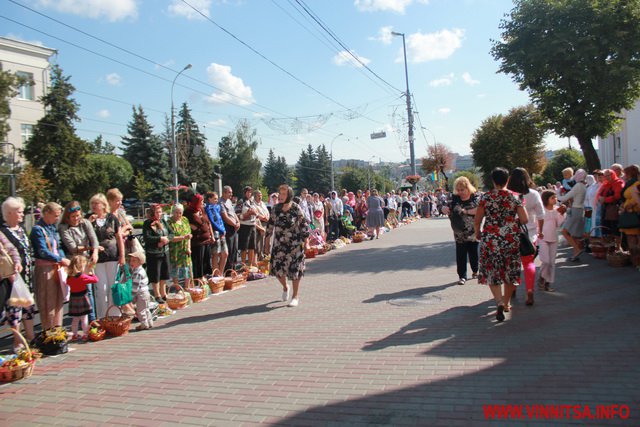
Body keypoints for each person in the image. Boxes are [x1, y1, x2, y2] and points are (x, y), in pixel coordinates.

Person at [474, 167, 528, 322]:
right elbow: (524, 220)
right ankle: (506, 302)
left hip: (491, 238)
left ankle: (498, 301)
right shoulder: (515, 197)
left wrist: (478, 232)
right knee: (510, 271)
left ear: (493, 181)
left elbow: (477, 219)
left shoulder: (486, 197)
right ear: (507, 180)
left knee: (492, 270)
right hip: (510, 238)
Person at [265, 184, 310, 308]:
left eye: (284, 194)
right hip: (279, 244)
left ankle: (295, 296)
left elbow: (304, 225)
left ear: (289, 195)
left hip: (295, 244)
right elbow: (270, 225)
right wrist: (266, 242)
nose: (281, 196)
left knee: (295, 270)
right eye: (280, 193)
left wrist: (306, 241)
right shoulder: (275, 208)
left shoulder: (295, 208)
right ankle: (285, 287)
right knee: (278, 270)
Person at [1, 197, 37, 352]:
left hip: (26, 275)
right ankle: (17, 341)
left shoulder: (22, 230)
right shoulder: (4, 231)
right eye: (19, 212)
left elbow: (14, 251)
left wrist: (18, 262)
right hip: (10, 278)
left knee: (28, 306)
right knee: (14, 309)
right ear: (9, 213)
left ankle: (30, 337)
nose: (22, 215)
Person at [30, 202, 70, 330]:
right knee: (47, 301)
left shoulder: (52, 228)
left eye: (58, 216)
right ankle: (48, 330)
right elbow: (42, 251)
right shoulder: (38, 230)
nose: (57, 218)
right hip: (45, 269)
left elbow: (58, 246)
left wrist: (63, 259)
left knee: (58, 300)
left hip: (56, 268)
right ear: (46, 213)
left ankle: (58, 329)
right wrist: (60, 259)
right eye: (55, 215)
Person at [507, 167, 544, 305]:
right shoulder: (533, 194)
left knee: (512, 263)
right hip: (530, 233)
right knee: (528, 262)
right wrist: (541, 230)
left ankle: (513, 286)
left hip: (511, 233)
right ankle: (529, 290)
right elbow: (541, 214)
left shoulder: (508, 194)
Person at [58, 201, 100, 321]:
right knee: (77, 291)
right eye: (73, 217)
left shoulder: (85, 223)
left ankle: (92, 319)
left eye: (78, 216)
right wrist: (89, 247)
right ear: (67, 216)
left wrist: (95, 252)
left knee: (89, 290)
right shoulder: (64, 227)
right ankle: (78, 317)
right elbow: (73, 247)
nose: (76, 219)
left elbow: (93, 239)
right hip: (74, 261)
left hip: (85, 260)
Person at [87, 193, 125, 319]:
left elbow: (119, 236)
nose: (93, 206)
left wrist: (122, 255)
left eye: (96, 203)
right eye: (92, 203)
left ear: (103, 205)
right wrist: (89, 222)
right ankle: (102, 316)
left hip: (112, 256)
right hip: (97, 258)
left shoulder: (111, 219)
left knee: (112, 286)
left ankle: (114, 314)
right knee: (101, 288)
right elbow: (84, 236)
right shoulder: (89, 219)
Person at [442, 176, 480, 285]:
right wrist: (444, 209)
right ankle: (462, 276)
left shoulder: (475, 198)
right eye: (458, 190)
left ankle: (475, 270)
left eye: (462, 190)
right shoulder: (454, 199)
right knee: (461, 255)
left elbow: (479, 210)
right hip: (459, 233)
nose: (460, 192)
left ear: (468, 188)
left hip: (473, 232)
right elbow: (444, 208)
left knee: (473, 253)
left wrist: (465, 211)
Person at [143, 204, 173, 303]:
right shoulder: (148, 223)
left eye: (160, 212)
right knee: (155, 274)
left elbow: (171, 233)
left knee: (164, 273)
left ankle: (163, 292)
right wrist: (159, 239)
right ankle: (157, 294)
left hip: (165, 251)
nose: (159, 214)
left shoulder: (163, 221)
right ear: (152, 213)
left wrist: (167, 240)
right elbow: (147, 238)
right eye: (157, 212)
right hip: (153, 253)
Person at [538, 190, 566, 293]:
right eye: (552, 198)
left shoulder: (556, 210)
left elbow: (558, 224)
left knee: (552, 263)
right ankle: (542, 276)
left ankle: (547, 283)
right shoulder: (541, 211)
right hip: (543, 238)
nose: (555, 199)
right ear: (546, 199)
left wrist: (562, 214)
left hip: (553, 238)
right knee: (546, 261)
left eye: (555, 197)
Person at [66, 255, 98, 342]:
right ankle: (85, 334)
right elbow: (95, 280)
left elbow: (67, 283)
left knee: (75, 319)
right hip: (82, 298)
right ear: (81, 266)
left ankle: (75, 334)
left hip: (73, 298)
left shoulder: (69, 277)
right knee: (84, 318)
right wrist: (92, 272)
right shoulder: (82, 277)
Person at [558, 169, 587, 262]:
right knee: (575, 235)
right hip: (581, 210)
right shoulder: (584, 185)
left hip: (575, 210)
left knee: (564, 231)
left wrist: (556, 195)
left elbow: (566, 197)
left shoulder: (578, 185)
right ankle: (575, 254)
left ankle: (577, 250)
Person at [185, 194, 213, 281]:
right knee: (198, 261)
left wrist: (211, 235)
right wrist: (192, 226)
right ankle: (199, 279)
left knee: (205, 260)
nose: (202, 203)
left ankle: (204, 276)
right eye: (201, 201)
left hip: (206, 239)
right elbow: (186, 223)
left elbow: (208, 222)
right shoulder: (189, 212)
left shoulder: (201, 210)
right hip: (197, 241)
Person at [167, 203, 193, 289]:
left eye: (180, 213)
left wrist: (188, 247)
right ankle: (178, 288)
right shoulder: (169, 222)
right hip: (175, 250)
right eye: (176, 212)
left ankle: (187, 287)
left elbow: (189, 234)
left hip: (185, 249)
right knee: (176, 270)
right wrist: (183, 237)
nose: (178, 215)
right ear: (173, 212)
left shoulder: (185, 220)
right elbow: (170, 237)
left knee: (187, 269)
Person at [597, 168, 624, 249]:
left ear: (613, 174)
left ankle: (618, 248)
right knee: (608, 229)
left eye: (609, 175)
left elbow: (617, 196)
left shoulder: (618, 183)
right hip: (606, 209)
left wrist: (605, 199)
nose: (607, 177)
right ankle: (611, 248)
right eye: (606, 176)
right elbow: (600, 195)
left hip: (615, 209)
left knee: (615, 229)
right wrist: (601, 199)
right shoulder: (606, 184)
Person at [128, 251, 153, 331]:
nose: (131, 262)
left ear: (140, 262)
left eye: (134, 261)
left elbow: (135, 286)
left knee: (140, 310)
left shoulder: (137, 273)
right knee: (146, 308)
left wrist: (132, 296)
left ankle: (144, 324)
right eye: (131, 260)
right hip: (146, 292)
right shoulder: (141, 270)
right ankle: (149, 322)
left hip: (141, 293)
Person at [619, 165, 640, 255]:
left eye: (625, 173)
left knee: (635, 237)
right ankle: (634, 258)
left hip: (634, 212)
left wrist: (629, 205)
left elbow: (636, 197)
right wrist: (623, 206)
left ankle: (637, 258)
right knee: (630, 237)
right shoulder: (629, 184)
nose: (624, 175)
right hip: (628, 213)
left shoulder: (636, 184)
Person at [205, 191, 228, 273]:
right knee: (216, 254)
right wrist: (221, 230)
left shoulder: (217, 207)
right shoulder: (208, 208)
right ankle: (216, 274)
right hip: (215, 232)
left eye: (217, 199)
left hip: (222, 232)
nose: (216, 200)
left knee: (225, 253)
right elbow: (212, 221)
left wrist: (224, 229)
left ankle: (220, 272)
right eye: (214, 199)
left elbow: (220, 220)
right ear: (209, 199)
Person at [236, 186, 258, 267]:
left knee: (252, 246)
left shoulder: (252, 202)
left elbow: (256, 213)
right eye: (248, 192)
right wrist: (247, 214)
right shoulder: (241, 202)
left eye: (250, 192)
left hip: (253, 225)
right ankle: (243, 265)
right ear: (244, 193)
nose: (249, 194)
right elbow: (237, 215)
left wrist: (255, 213)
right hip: (244, 226)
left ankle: (250, 265)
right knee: (244, 247)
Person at [220, 186, 240, 271]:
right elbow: (225, 217)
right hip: (228, 228)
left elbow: (233, 213)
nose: (231, 194)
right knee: (229, 248)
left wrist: (238, 221)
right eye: (229, 192)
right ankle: (227, 270)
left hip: (234, 227)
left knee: (234, 249)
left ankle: (233, 269)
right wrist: (234, 224)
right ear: (224, 192)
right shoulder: (221, 203)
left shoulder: (229, 201)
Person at [253, 190, 270, 261]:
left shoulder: (262, 203)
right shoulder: (253, 204)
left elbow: (267, 212)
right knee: (258, 241)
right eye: (258, 195)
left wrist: (267, 217)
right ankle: (258, 257)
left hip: (266, 223)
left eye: (261, 195)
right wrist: (264, 218)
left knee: (264, 241)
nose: (260, 197)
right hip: (259, 224)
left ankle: (262, 255)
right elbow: (256, 214)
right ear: (255, 196)